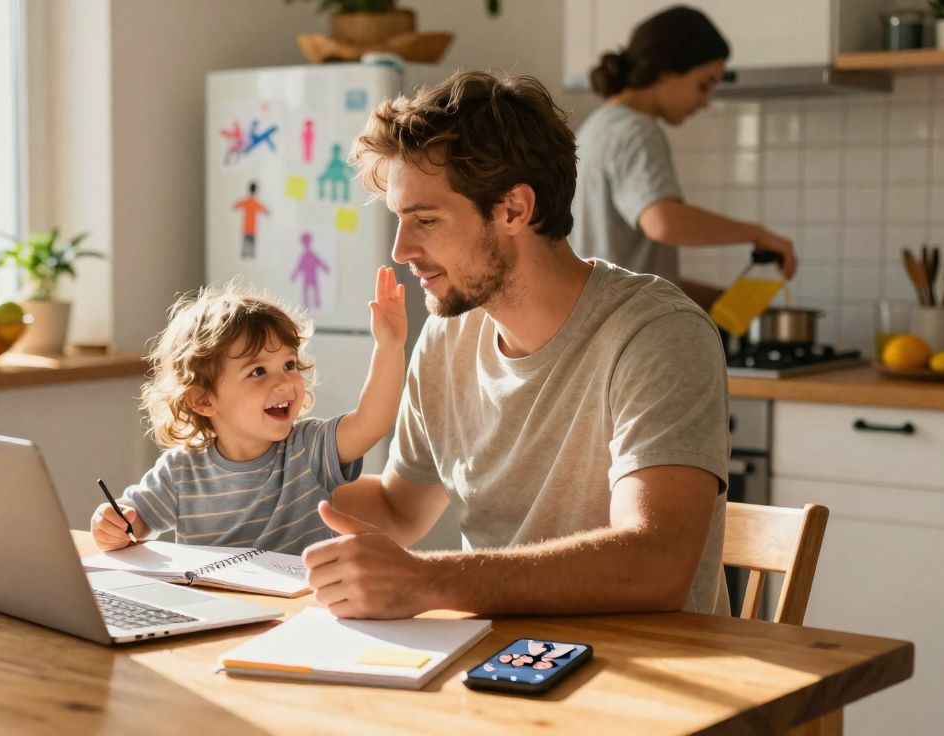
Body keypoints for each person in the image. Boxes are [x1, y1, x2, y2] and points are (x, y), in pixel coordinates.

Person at [300, 70, 731, 619]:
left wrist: (427, 581)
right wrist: (246, 475)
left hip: (648, 679)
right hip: (497, 662)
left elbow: (656, 564)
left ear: (514, 210)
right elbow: (397, 508)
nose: (401, 250)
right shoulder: (447, 336)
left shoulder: (657, 335)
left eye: (425, 220)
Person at [89, 268, 407, 555]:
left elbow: (371, 423)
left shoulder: (309, 448)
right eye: (258, 372)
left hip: (300, 607)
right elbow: (134, 520)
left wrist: (389, 348)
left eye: (289, 364)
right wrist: (113, 525)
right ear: (203, 400)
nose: (284, 382)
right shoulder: (180, 471)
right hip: (218, 612)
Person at [570, 5, 796, 309]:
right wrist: (758, 235)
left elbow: (620, 265)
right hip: (624, 332)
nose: (705, 103)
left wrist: (715, 301)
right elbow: (663, 222)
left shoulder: (598, 126)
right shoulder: (636, 130)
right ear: (666, 71)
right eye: (703, 85)